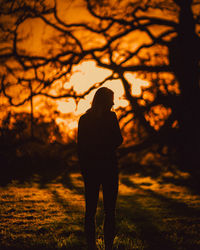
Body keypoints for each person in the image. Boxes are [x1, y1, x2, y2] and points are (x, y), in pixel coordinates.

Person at [77, 87, 123, 250]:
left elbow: (80, 149)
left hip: (91, 170)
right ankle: (108, 247)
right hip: (109, 168)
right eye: (112, 99)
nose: (113, 103)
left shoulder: (84, 119)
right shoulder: (111, 117)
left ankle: (92, 247)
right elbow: (118, 140)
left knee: (90, 212)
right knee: (109, 211)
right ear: (105, 100)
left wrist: (85, 170)